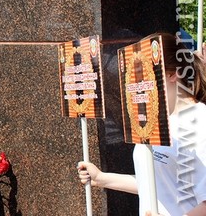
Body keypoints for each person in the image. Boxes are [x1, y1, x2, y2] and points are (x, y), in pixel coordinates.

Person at [77, 32, 206, 216]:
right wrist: (101, 178)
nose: (137, 83)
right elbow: (157, 183)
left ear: (173, 74)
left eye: (143, 72)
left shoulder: (200, 122)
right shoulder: (155, 120)